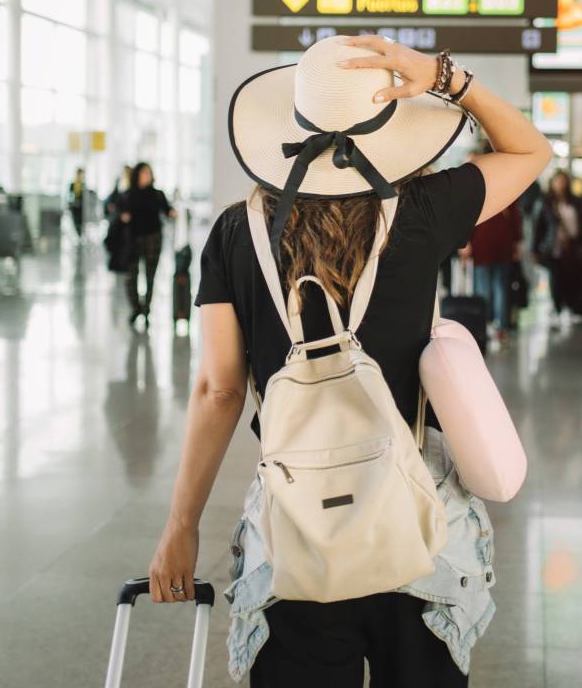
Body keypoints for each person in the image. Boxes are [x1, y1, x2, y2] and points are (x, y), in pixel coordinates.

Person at [148, 35, 551, 686]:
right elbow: (532, 149)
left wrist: (181, 526)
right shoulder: (423, 211)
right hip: (418, 523)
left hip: (296, 524)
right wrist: (447, 79)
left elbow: (218, 392)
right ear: (390, 130)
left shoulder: (234, 232)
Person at [115, 162, 175, 327]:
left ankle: (146, 310)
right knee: (131, 277)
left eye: (149, 173)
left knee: (150, 277)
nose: (146, 176)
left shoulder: (157, 195)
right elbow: (117, 212)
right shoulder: (127, 194)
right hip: (133, 240)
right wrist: (122, 216)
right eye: (143, 173)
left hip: (153, 239)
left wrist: (174, 213)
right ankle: (136, 308)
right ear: (136, 175)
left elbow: (167, 211)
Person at [462, 195, 523, 340]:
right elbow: (515, 220)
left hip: (486, 246)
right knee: (499, 289)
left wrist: (465, 241)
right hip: (498, 246)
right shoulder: (509, 189)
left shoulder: (478, 189)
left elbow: (468, 217)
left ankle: (486, 326)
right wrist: (516, 242)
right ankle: (499, 327)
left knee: (487, 290)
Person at [532, 170, 582, 327]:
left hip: (573, 247)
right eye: (558, 181)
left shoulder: (575, 201)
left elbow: (581, 222)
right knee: (556, 278)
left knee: (572, 277)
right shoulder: (545, 202)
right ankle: (556, 308)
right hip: (553, 247)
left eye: (563, 181)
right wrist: (534, 249)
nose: (561, 184)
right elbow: (538, 227)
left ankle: (571, 307)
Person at [68, 167, 86, 239]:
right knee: (75, 222)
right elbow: (70, 196)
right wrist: (74, 202)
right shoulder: (72, 184)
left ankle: (80, 236)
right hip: (74, 206)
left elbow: (85, 197)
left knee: (80, 222)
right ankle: (78, 236)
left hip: (81, 207)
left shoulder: (83, 185)